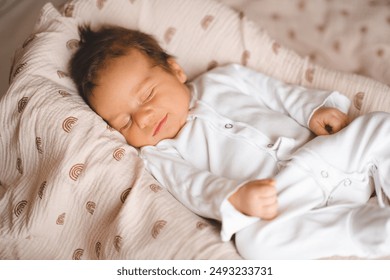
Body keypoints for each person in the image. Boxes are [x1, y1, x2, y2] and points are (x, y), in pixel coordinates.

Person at [69, 26, 390, 259]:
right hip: (283, 197)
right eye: (124, 121)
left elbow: (278, 93)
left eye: (147, 95)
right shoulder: (158, 154)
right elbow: (193, 185)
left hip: (326, 154)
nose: (144, 117)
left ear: (175, 70)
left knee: (377, 126)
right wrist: (235, 199)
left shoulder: (224, 79)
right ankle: (368, 229)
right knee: (255, 244)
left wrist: (313, 110)